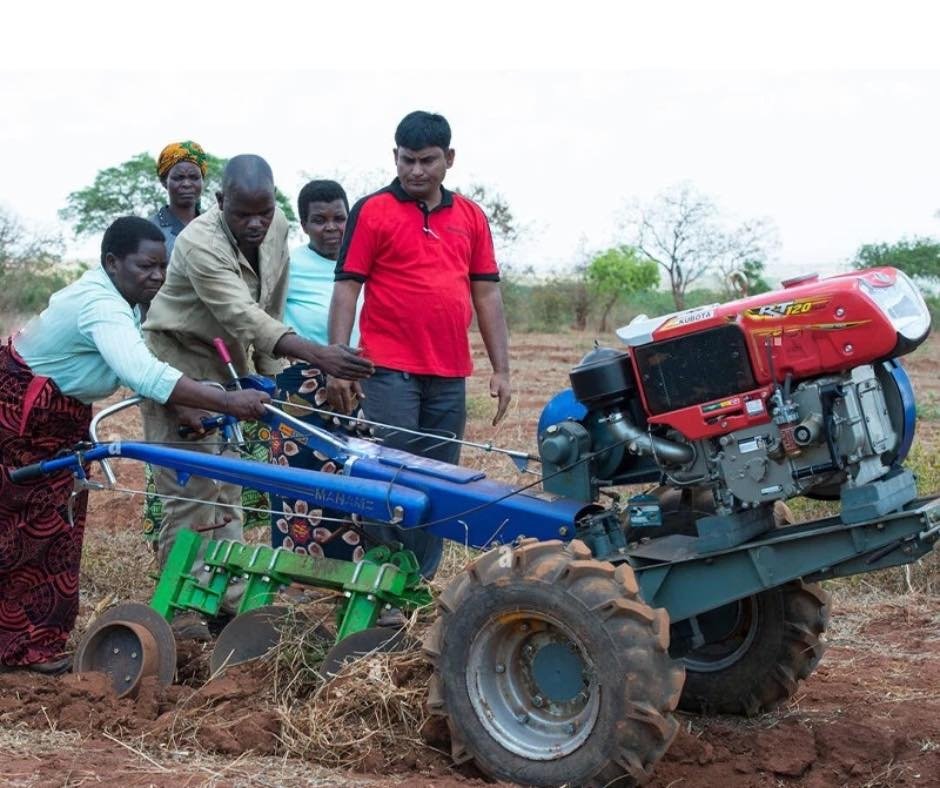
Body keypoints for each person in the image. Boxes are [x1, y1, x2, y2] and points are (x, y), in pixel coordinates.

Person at [0, 217, 270, 673]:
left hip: (58, 414)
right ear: (112, 262)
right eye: (147, 266)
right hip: (24, 415)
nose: (158, 276)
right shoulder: (100, 304)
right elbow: (143, 373)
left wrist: (186, 407)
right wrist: (227, 399)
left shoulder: (125, 302)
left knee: (57, 525)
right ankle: (19, 647)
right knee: (25, 529)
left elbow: (138, 366)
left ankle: (35, 641)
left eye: (162, 267)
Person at [141, 155, 373, 577]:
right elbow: (243, 314)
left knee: (228, 484)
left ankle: (226, 593)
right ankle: (183, 602)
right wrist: (317, 353)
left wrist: (266, 376)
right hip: (178, 364)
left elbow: (272, 297)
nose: (255, 224)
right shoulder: (199, 244)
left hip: (229, 362)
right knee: (192, 489)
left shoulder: (278, 224)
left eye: (263, 212)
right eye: (242, 214)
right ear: (219, 200)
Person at [328, 110, 512, 579]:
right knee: (388, 474)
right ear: (395, 156)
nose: (415, 171)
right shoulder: (371, 211)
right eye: (406, 160)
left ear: (448, 158)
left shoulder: (470, 216)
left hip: (449, 372)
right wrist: (337, 363)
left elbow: (487, 292)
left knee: (439, 480)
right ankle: (384, 576)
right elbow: (347, 287)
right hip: (388, 370)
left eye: (427, 161)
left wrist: (502, 369)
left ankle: (420, 582)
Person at [271, 179, 367, 559]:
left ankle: (354, 572)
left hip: (359, 380)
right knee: (299, 478)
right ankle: (295, 577)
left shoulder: (365, 263)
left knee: (356, 475)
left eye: (340, 218)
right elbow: (267, 320)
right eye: (319, 220)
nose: (331, 227)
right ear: (304, 224)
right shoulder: (289, 266)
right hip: (301, 384)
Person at [148, 140, 208, 257]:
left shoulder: (215, 227)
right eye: (179, 177)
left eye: (194, 177)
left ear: (202, 181)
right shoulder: (148, 230)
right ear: (164, 182)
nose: (186, 184)